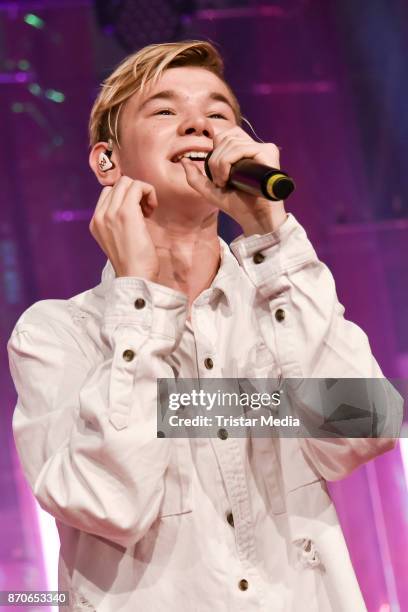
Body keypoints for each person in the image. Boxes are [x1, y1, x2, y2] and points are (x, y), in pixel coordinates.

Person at [7, 40, 402, 612]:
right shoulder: (55, 333)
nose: (198, 122)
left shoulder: (284, 300)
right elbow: (107, 501)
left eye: (218, 113)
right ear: (107, 161)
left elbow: (364, 431)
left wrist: (275, 238)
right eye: (165, 111)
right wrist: (140, 302)